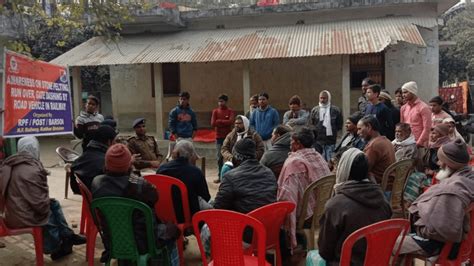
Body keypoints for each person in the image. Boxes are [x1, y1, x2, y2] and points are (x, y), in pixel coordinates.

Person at [92, 144, 180, 265]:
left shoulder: (96, 183)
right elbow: (154, 197)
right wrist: (132, 170)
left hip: (112, 241)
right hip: (142, 242)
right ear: (128, 163)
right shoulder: (140, 185)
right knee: (172, 229)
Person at [0, 136, 86, 260]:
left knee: (54, 203)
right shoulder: (32, 170)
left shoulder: (13, 163)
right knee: (47, 211)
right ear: (35, 149)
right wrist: (45, 205)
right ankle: (54, 247)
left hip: (12, 212)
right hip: (22, 216)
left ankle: (68, 235)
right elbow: (38, 204)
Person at [398, 139, 474, 259]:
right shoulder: (468, 177)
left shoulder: (451, 190)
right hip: (453, 243)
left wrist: (419, 226)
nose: (438, 163)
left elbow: (441, 230)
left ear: (448, 164)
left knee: (389, 244)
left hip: (441, 245)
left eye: (440, 160)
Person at [316, 148, 391, 265]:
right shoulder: (383, 201)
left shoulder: (335, 206)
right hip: (377, 261)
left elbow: (325, 251)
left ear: (343, 170)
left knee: (312, 256)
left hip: (345, 263)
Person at [277, 127, 331, 250]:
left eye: (291, 141)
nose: (290, 143)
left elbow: (286, 197)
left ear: (297, 143)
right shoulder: (317, 155)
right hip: (321, 209)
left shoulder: (293, 163)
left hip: (305, 216)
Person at [214, 138, 277, 214]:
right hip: (268, 222)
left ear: (236, 157)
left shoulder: (230, 177)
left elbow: (218, 207)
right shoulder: (269, 173)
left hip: (244, 223)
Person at [157, 140, 211, 222]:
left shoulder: (162, 169)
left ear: (175, 153)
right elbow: (206, 197)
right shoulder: (196, 172)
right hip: (188, 216)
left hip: (164, 214)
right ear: (191, 155)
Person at [71, 125, 117, 193]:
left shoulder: (80, 159)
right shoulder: (107, 162)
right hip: (103, 198)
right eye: (115, 141)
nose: (116, 144)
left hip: (86, 195)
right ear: (109, 142)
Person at [357, 115, 395, 184]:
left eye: (359, 129)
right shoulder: (387, 141)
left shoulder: (374, 145)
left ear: (368, 127)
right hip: (390, 186)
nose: (358, 132)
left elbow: (362, 171)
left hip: (380, 189)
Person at [308, 90, 343, 161]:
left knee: (331, 161)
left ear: (328, 98)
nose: (322, 100)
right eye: (321, 98)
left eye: (324, 98)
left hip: (331, 141)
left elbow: (339, 124)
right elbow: (311, 124)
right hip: (318, 141)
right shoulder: (315, 110)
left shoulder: (335, 110)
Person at [400, 81, 432, 148]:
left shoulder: (423, 107)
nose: (403, 95)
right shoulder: (403, 108)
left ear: (412, 92)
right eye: (402, 93)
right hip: (406, 142)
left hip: (419, 144)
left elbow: (427, 128)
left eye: (405, 92)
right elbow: (402, 126)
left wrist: (419, 143)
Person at [210, 94, 235, 180]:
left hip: (228, 137)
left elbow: (231, 121)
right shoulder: (215, 111)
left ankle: (230, 176)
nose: (220, 103)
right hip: (219, 137)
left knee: (230, 157)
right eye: (219, 101)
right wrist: (224, 122)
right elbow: (213, 123)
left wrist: (219, 121)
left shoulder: (230, 111)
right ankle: (220, 176)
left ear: (226, 102)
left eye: (222, 101)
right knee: (219, 158)